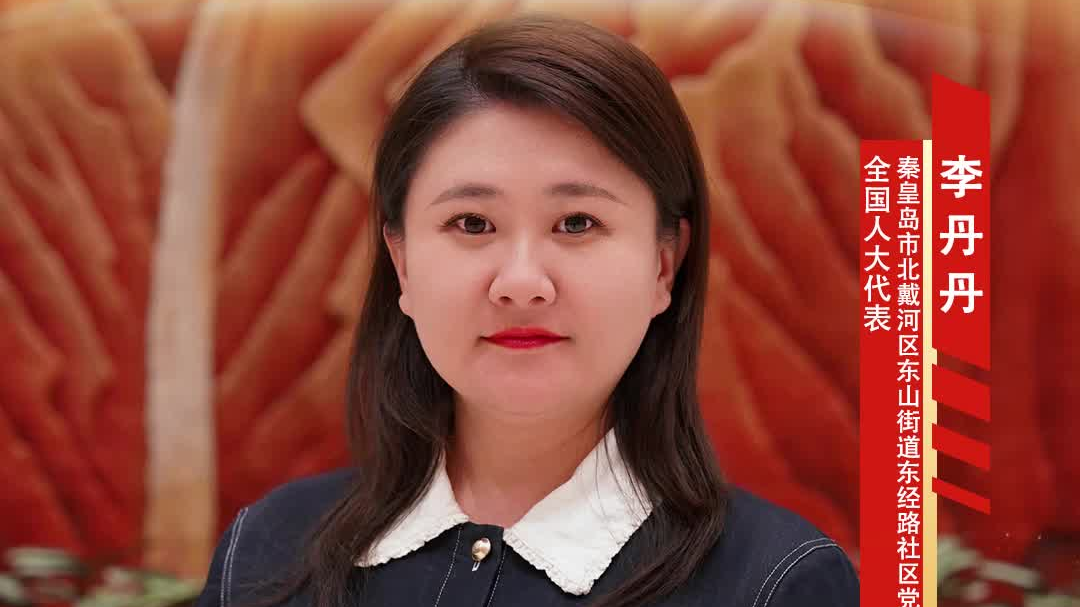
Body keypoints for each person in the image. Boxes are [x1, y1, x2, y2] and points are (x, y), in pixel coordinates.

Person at [195, 13, 859, 607]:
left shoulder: (775, 582)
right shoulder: (265, 554)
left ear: (664, 265)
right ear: (402, 262)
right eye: (472, 223)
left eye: (577, 222)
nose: (520, 283)